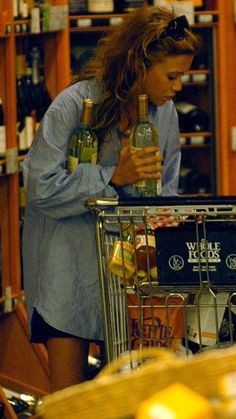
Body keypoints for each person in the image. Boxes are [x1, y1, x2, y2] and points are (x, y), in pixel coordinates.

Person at [22, 6, 201, 392]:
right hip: (68, 274)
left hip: (132, 282)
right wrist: (111, 176)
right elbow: (39, 188)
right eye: (172, 75)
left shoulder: (164, 114)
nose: (178, 86)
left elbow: (165, 190)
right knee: (71, 403)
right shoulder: (73, 105)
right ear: (139, 64)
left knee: (129, 399)